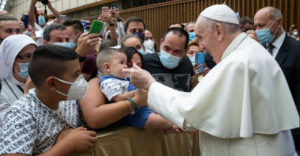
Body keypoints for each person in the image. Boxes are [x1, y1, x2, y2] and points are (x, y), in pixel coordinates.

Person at [124, 4, 299, 155]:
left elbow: (190, 109)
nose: (201, 46)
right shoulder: (251, 53)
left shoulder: (237, 62)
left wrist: (149, 83)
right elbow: (221, 113)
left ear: (218, 31)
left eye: (200, 37)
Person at [0, 45, 97, 155]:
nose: (81, 79)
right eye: (75, 75)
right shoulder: (22, 113)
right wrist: (67, 145)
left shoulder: (67, 99)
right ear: (52, 83)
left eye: (80, 72)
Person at [96, 48, 177, 131]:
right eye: (122, 63)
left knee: (168, 111)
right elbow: (119, 98)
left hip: (145, 105)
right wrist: (136, 93)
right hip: (135, 113)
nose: (126, 66)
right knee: (163, 122)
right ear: (107, 67)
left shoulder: (123, 78)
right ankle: (174, 126)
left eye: (125, 63)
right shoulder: (108, 82)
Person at [254, 6, 300, 153]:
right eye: (256, 26)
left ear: (278, 23)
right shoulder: (257, 49)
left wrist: (296, 140)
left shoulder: (296, 50)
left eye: (261, 25)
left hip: (289, 131)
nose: (258, 30)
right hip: (262, 132)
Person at [143, 27, 196, 92]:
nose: (170, 54)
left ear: (185, 50)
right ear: (161, 42)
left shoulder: (186, 62)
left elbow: (192, 88)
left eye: (177, 51)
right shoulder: (145, 61)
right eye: (167, 48)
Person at [0, 34, 37, 127]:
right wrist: (28, 92)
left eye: (36, 55)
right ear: (11, 59)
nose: (33, 61)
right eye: (26, 56)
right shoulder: (2, 90)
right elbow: (11, 125)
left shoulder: (45, 80)